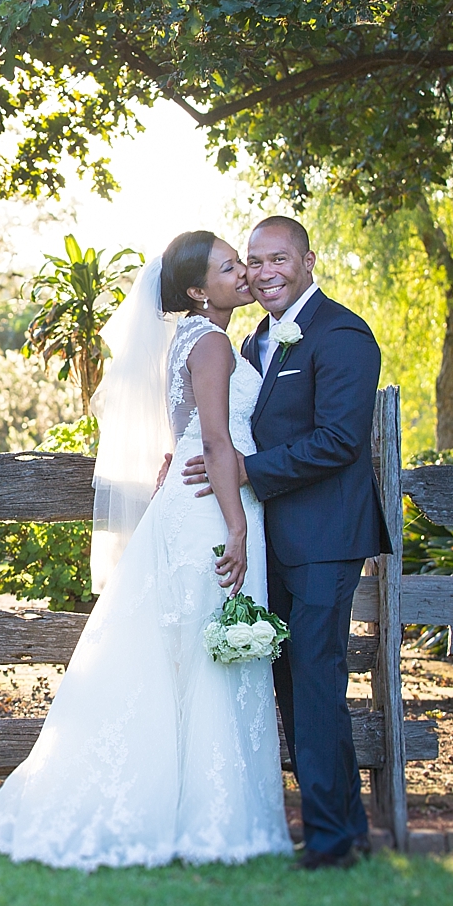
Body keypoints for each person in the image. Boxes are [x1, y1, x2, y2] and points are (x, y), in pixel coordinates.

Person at [0, 232, 292, 870]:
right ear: (200, 290)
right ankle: (210, 818)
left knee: (181, 653)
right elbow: (218, 442)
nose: (245, 274)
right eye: (230, 268)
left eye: (243, 264)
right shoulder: (213, 342)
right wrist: (236, 527)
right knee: (208, 656)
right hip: (212, 509)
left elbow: (186, 435)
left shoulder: (186, 339)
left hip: (186, 500)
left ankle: (182, 807)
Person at [179, 215, 387, 870]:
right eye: (254, 261)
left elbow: (340, 440)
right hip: (275, 537)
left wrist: (243, 471)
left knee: (316, 677)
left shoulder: (343, 333)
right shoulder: (254, 342)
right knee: (292, 684)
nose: (265, 271)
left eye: (278, 259)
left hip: (326, 535)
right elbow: (235, 424)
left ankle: (329, 842)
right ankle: (343, 825)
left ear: (307, 261)